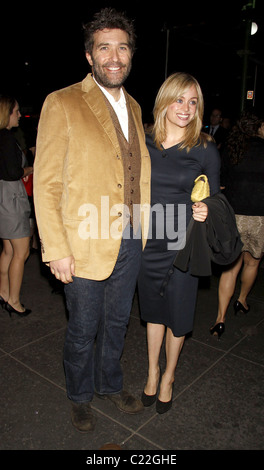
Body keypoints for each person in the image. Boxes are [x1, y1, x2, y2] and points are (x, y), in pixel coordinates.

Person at [33, 8, 151, 432]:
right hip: (83, 240)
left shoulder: (136, 106)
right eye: (105, 48)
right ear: (89, 56)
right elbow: (46, 184)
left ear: (131, 54)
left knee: (118, 322)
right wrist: (56, 249)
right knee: (82, 327)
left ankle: (109, 383)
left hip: (131, 238)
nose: (114, 56)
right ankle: (80, 395)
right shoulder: (62, 101)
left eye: (122, 47)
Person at [137, 72, 220, 414]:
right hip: (147, 241)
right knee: (153, 311)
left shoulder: (204, 148)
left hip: (184, 242)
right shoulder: (144, 142)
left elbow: (214, 198)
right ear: (164, 101)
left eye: (193, 101)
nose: (185, 108)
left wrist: (205, 209)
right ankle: (152, 371)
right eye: (179, 99)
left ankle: (170, 375)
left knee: (178, 313)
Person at [210, 111, 264, 338]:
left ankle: (219, 319)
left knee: (230, 268)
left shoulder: (232, 150)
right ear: (258, 127)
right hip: (260, 217)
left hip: (233, 214)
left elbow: (220, 180)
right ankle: (241, 301)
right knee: (252, 263)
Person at [0, 95, 33, 317]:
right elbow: (13, 172)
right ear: (7, 113)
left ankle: (3, 293)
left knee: (8, 250)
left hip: (3, 196)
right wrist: (32, 169)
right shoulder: (6, 138)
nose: (20, 115)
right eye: (16, 111)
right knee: (22, 252)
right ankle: (14, 300)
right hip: (12, 198)